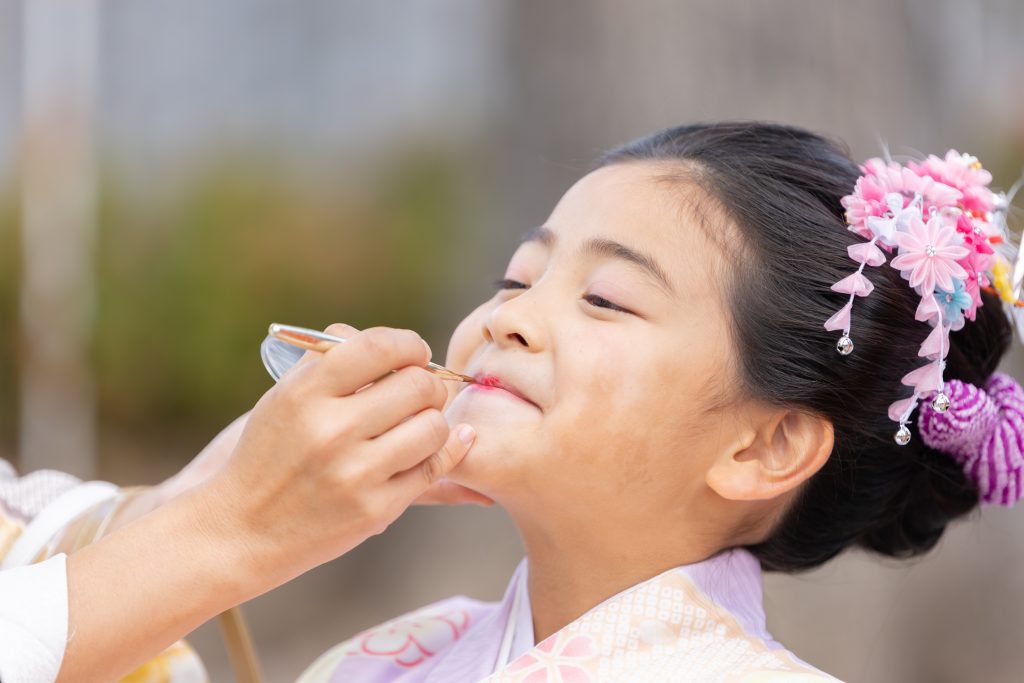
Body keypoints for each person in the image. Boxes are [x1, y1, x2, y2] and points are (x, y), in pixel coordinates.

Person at [3, 121, 1023, 682]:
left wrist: (216, 520)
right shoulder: (395, 654)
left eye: (605, 297)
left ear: (765, 445)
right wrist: (212, 514)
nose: (512, 318)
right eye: (515, 278)